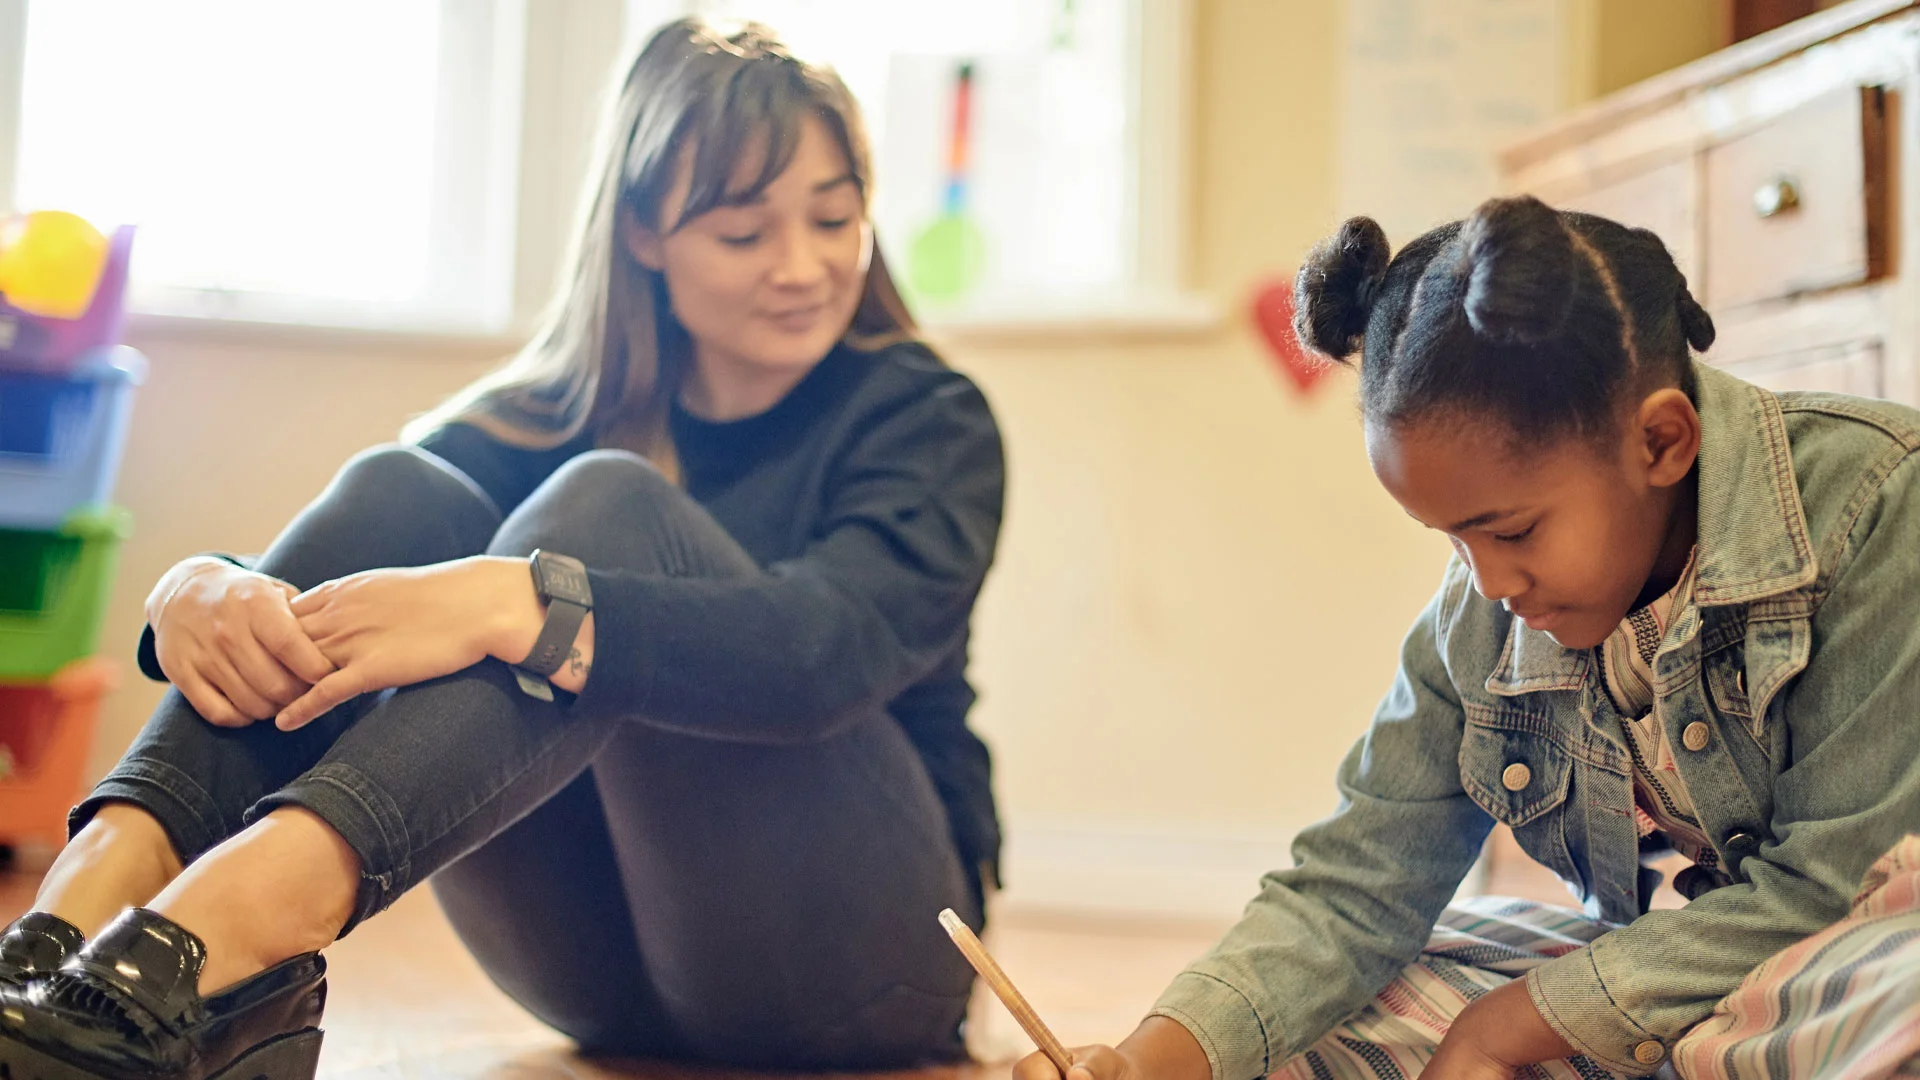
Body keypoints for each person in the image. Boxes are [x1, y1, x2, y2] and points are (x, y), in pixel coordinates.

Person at [0, 17, 1004, 1080]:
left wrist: (519, 606)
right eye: (745, 233)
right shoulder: (546, 413)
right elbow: (362, 548)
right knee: (407, 490)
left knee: (607, 512)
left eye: (836, 219)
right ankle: (75, 914)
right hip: (590, 968)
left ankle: (241, 919)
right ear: (642, 233)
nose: (803, 267)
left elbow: (823, 652)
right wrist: (199, 587)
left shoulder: (926, 419)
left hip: (859, 966)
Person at [1013, 196, 1920, 1080]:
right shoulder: (1482, 615)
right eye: (1452, 540)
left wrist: (1505, 1030)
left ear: (1661, 443)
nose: (1488, 582)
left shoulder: (1882, 502)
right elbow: (1355, 889)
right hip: (1694, 993)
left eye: (1512, 531)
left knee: (1890, 984)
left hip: (1844, 955)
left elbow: (1830, 889)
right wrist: (1150, 1058)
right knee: (1335, 1001)